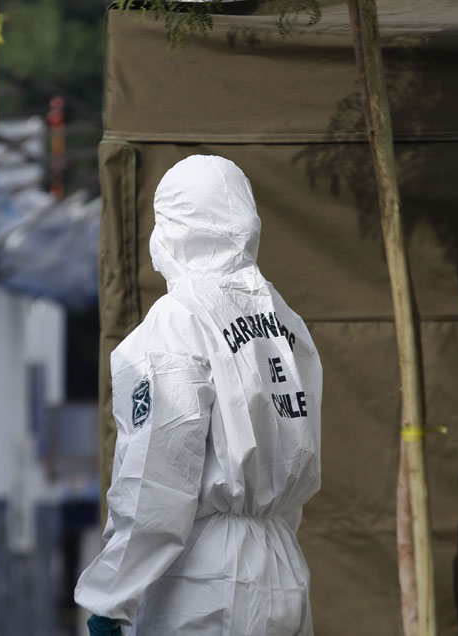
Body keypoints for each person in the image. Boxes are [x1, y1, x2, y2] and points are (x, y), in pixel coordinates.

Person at [75, 155, 322, 635]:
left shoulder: (178, 321)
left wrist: (110, 597)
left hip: (205, 583)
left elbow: (157, 476)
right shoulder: (287, 326)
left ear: (175, 228)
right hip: (283, 569)